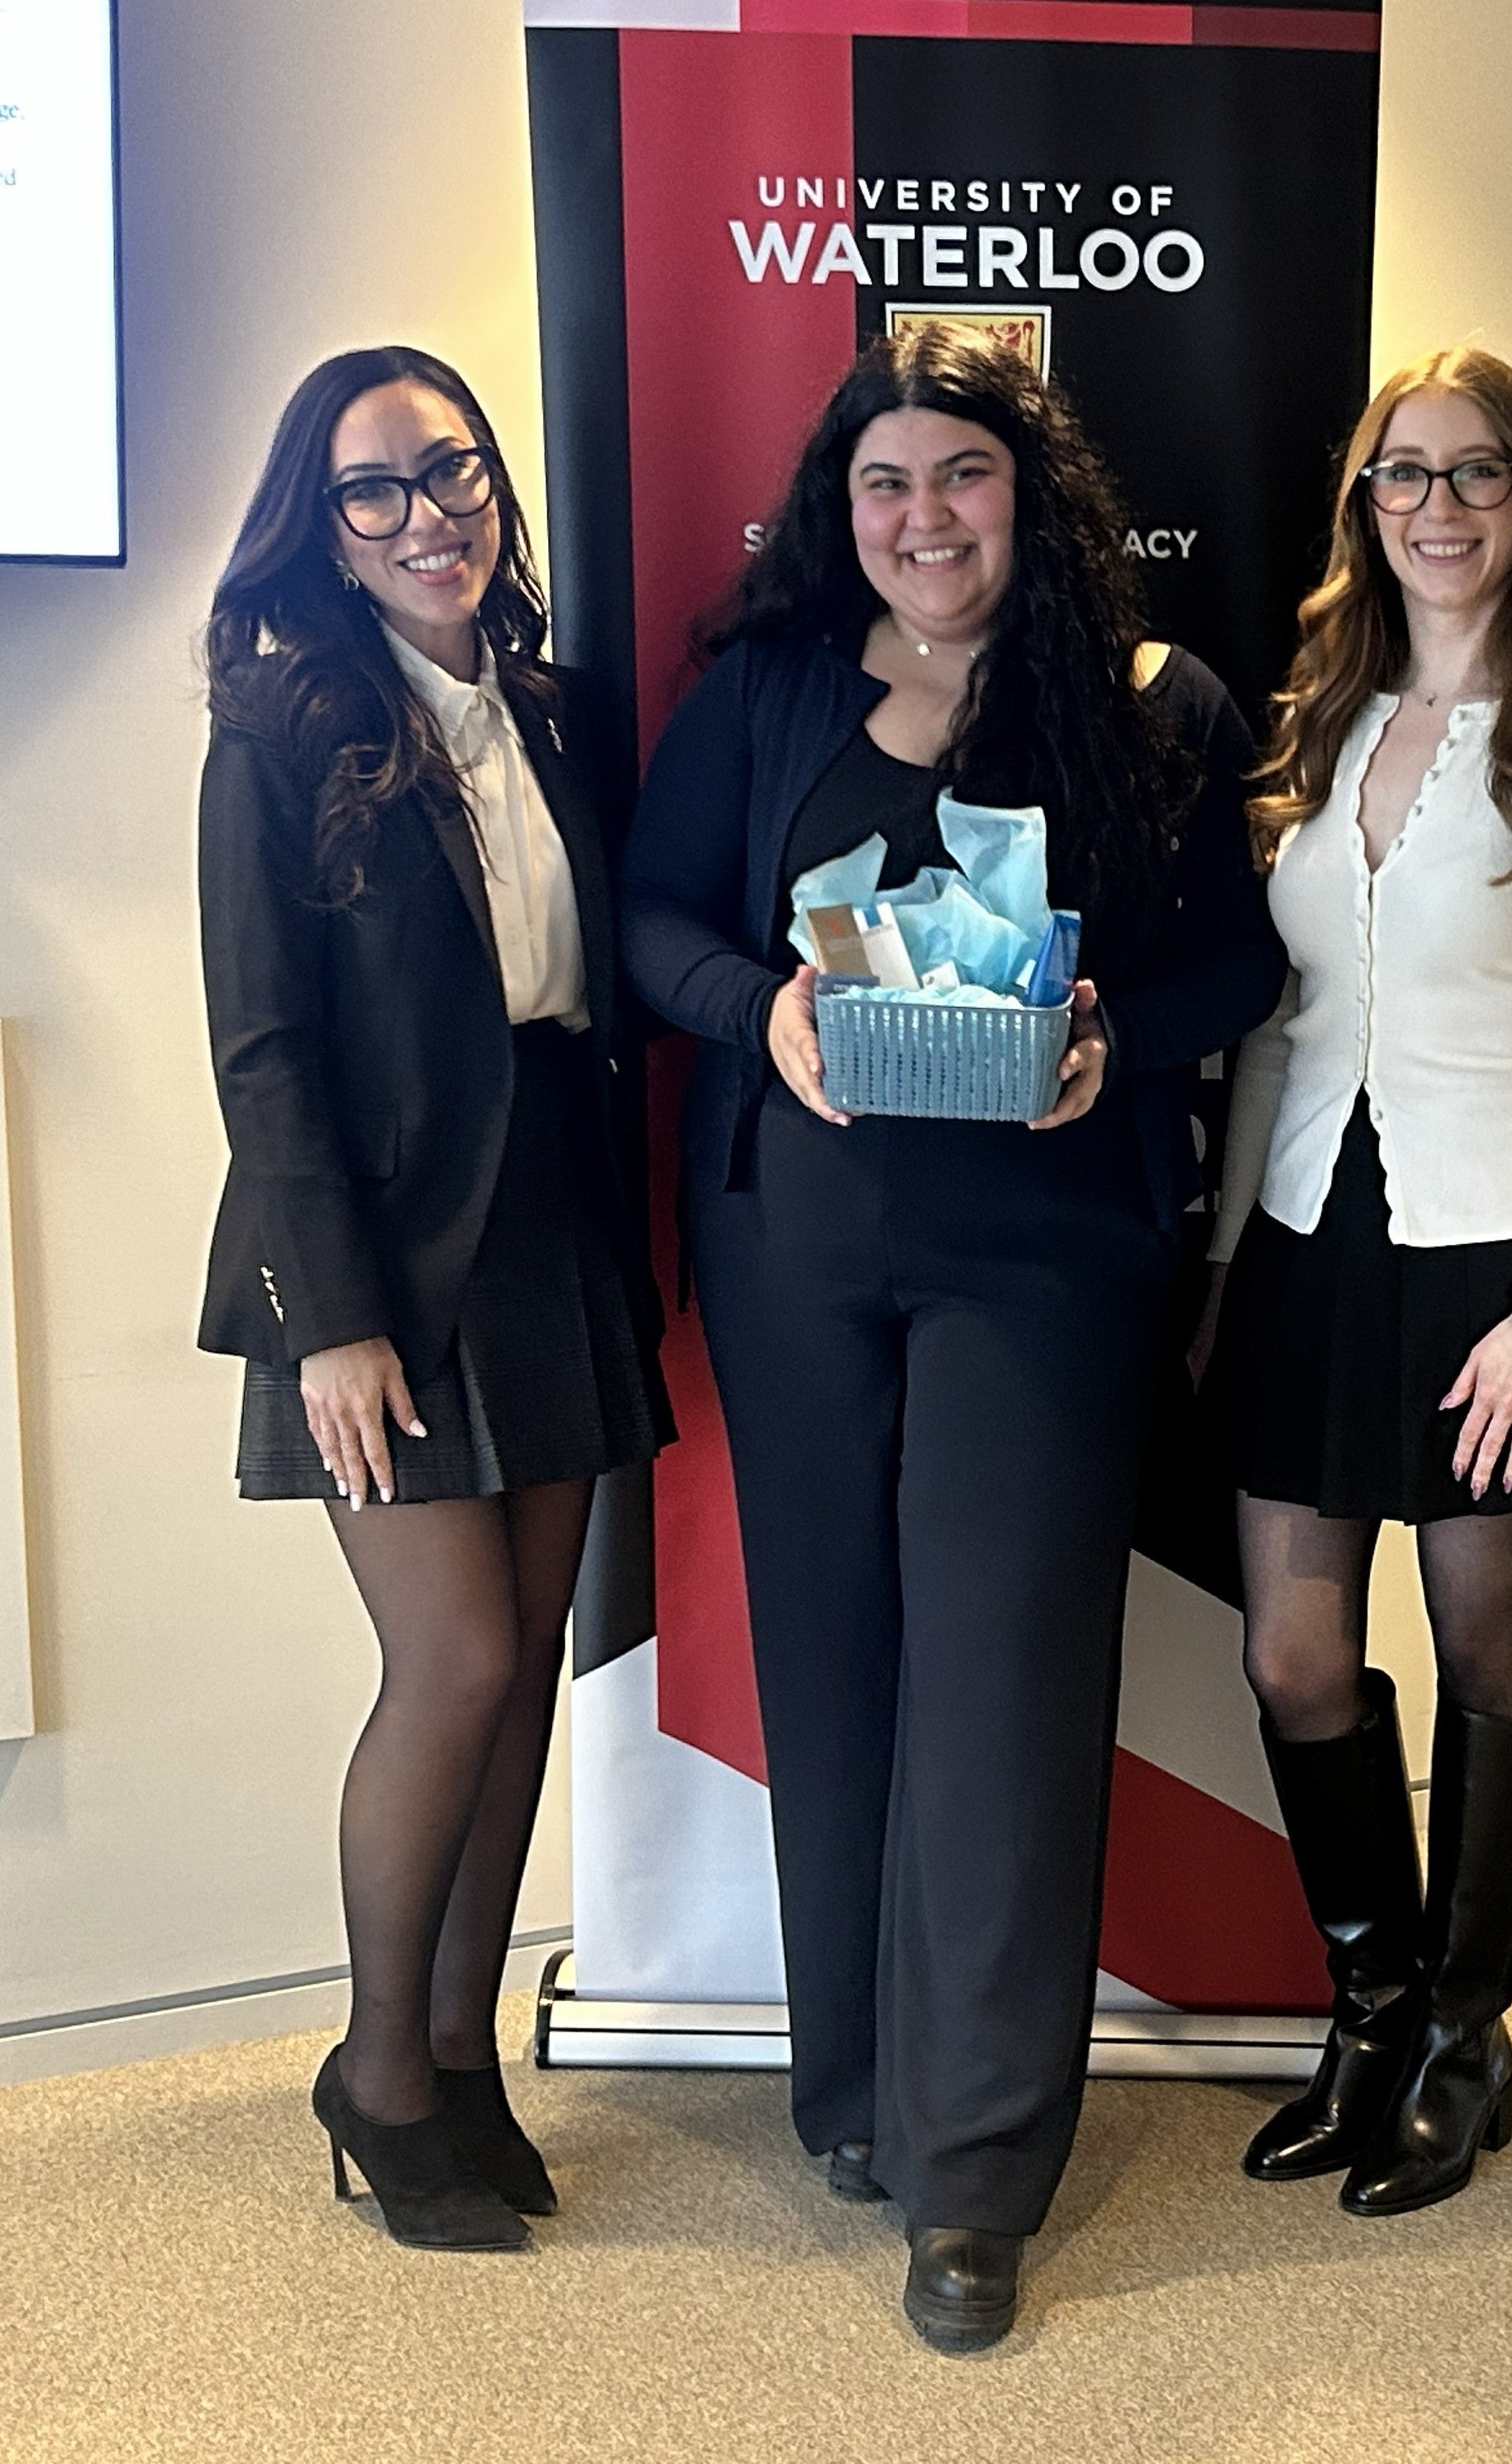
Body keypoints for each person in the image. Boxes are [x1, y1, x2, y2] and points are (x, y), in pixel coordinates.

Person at [623, 331, 1282, 2351]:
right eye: (889, 483)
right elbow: (654, 922)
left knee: (999, 1680)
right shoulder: (764, 695)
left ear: (1033, 495)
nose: (927, 520)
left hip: (1047, 1260)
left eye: (967, 481)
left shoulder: (1149, 708)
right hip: (794, 1251)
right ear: (846, 506)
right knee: (836, 1664)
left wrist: (1113, 1039)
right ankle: (854, 2091)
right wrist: (770, 1015)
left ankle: (974, 2175)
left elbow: (1238, 965)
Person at [198, 346, 669, 2254]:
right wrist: (333, 1317)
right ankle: (378, 2067)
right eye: (374, 491)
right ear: (321, 531)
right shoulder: (281, 730)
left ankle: (462, 2057)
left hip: (553, 1220)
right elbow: (260, 1050)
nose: (425, 517)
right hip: (378, 1264)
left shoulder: (546, 708)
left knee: (525, 1665)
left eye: (450, 473)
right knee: (452, 1666)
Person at [1204, 346, 1512, 2216]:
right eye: (1404, 478)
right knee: (1296, 1647)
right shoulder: (1319, 727)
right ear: (1365, 511)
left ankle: (1467, 2041)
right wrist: (1231, 1261)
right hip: (1318, 1239)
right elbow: (1279, 1032)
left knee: (1486, 1640)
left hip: (1500, 1258)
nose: (1440, 509)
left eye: (1477, 475)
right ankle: (1371, 2006)